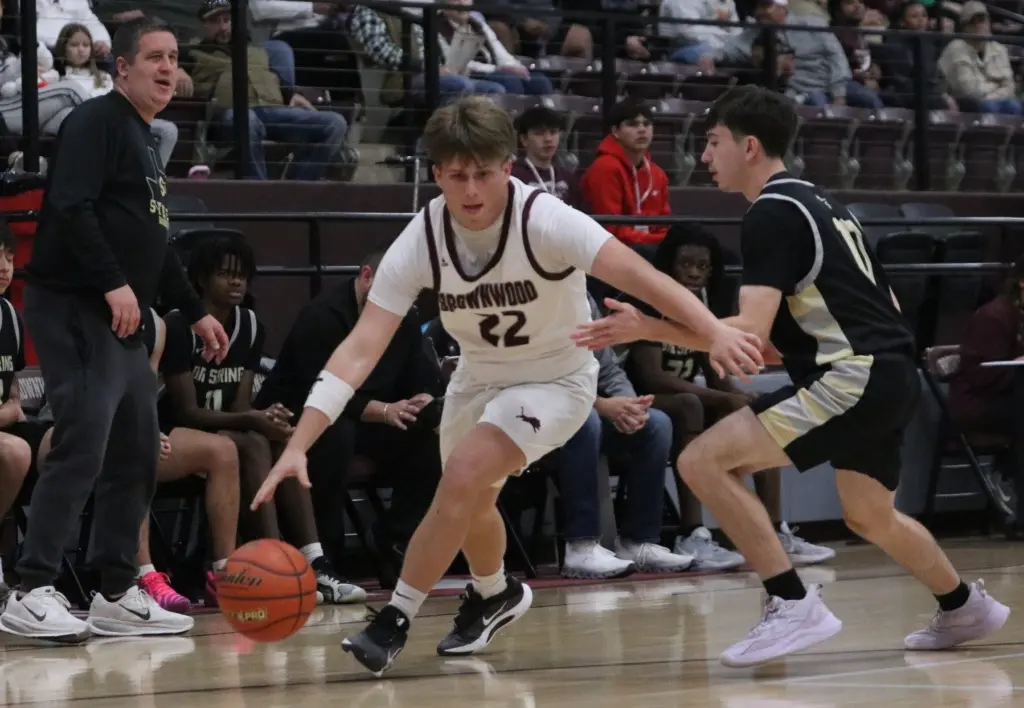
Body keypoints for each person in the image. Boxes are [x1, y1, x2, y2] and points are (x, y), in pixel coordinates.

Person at [250, 96, 763, 677]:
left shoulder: (546, 220)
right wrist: (299, 443)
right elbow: (359, 348)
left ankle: (394, 618)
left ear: (507, 167)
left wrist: (714, 331)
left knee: (463, 475)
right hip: (480, 378)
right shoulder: (423, 237)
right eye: (457, 176)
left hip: (557, 379)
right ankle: (494, 592)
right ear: (437, 173)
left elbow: (644, 278)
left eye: (484, 174)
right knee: (471, 501)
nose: (471, 190)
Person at [574, 85, 1010, 668]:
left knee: (701, 461)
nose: (704, 156)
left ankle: (792, 602)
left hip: (851, 376)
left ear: (750, 146)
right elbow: (879, 307)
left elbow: (748, 334)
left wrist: (645, 326)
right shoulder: (823, 202)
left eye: (714, 142)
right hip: (892, 373)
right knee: (869, 514)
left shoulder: (771, 211)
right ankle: (964, 607)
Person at [0, 16, 229, 642]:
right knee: (84, 441)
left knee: (136, 449)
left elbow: (156, 244)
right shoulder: (95, 121)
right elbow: (69, 207)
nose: (168, 67)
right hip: (75, 304)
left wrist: (196, 311)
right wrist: (111, 283)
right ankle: (31, 588)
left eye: (174, 57)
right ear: (121, 68)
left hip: (120, 318)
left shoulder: (146, 140)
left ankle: (116, 590)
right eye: (154, 57)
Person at [160, 235, 365, 605]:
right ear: (201, 279)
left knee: (285, 441)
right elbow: (186, 411)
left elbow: (240, 405)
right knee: (254, 440)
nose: (236, 282)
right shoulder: (177, 326)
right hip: (174, 433)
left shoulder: (250, 325)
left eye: (242, 275)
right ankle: (275, 561)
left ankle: (314, 560)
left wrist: (264, 417)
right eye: (225, 274)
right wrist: (254, 420)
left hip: (223, 431)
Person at [629, 224, 835, 569]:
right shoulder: (649, 300)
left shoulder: (704, 304)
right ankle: (692, 535)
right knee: (691, 405)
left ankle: (773, 531)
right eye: (685, 264)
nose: (694, 273)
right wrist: (721, 399)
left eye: (702, 266)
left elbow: (716, 373)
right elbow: (652, 377)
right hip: (642, 399)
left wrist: (739, 397)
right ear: (668, 264)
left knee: (759, 410)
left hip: (688, 401)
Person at [254, 250, 445, 563]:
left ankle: (394, 536)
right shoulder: (321, 316)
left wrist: (422, 397)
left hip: (369, 419)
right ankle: (326, 554)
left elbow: (416, 378)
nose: (397, 300)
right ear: (366, 276)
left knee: (429, 440)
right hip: (304, 416)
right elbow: (316, 391)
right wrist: (383, 410)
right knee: (335, 435)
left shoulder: (404, 318)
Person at [556, 293, 690, 579]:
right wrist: (602, 405)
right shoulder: (529, 299)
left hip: (587, 408)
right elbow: (540, 379)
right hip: (536, 414)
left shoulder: (582, 296)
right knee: (586, 422)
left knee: (656, 424)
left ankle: (638, 541)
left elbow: (608, 369)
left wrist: (630, 406)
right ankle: (580, 545)